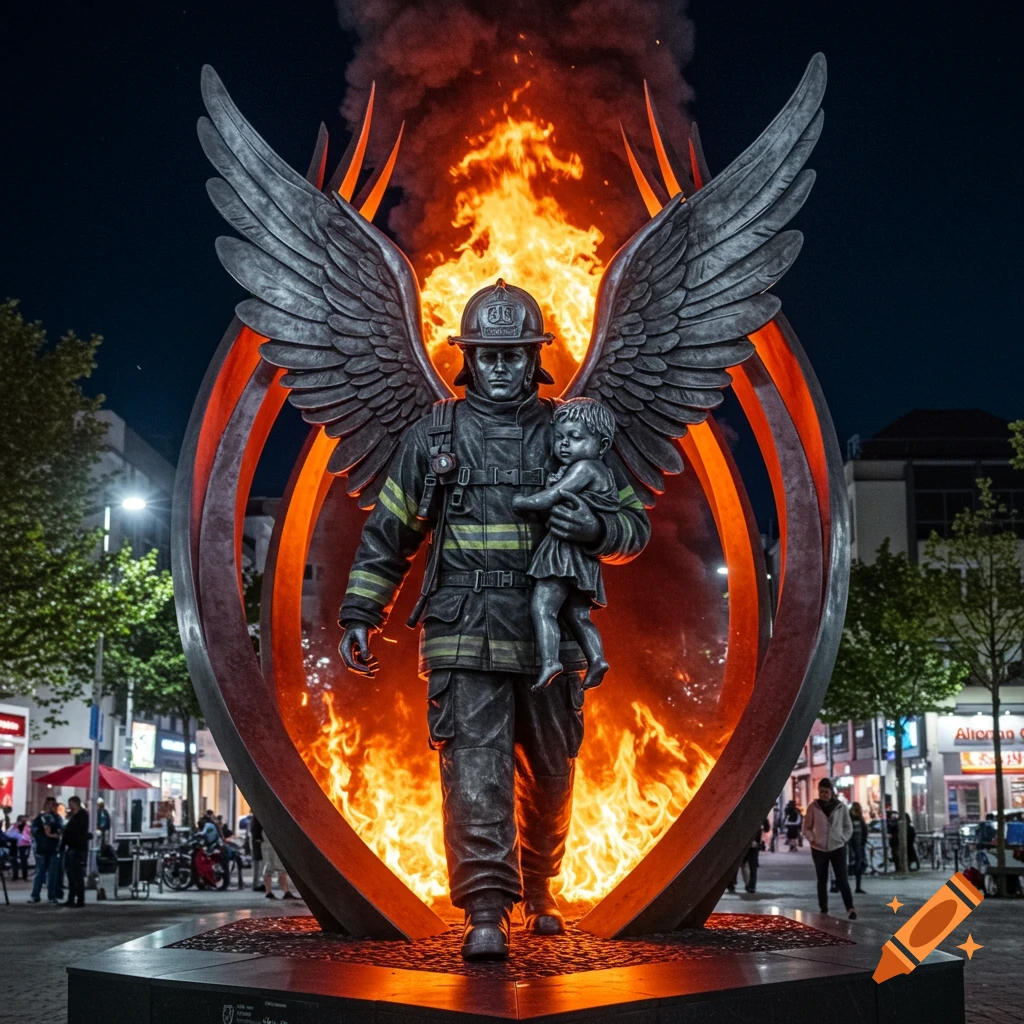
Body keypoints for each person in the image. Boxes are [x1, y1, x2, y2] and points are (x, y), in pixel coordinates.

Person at [338, 281, 650, 961]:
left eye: (514, 354)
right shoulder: (433, 435)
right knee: (475, 773)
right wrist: (363, 610)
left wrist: (597, 528)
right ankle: (486, 907)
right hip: (462, 628)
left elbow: (633, 527)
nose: (502, 366)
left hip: (549, 633)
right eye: (488, 354)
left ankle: (540, 886)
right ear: (468, 358)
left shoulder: (572, 432)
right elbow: (391, 530)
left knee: (551, 774)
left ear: (536, 358)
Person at [511, 397, 619, 691]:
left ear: (602, 444)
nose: (564, 445)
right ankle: (597, 659)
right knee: (576, 613)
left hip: (564, 552)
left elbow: (552, 497)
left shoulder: (584, 469)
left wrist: (522, 502)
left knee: (543, 607)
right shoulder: (597, 470)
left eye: (575, 437)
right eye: (559, 437)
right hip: (583, 558)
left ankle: (550, 662)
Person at [803, 778, 856, 919]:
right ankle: (823, 908)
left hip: (838, 847)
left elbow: (848, 826)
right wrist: (812, 838)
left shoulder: (841, 807)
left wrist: (843, 838)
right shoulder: (813, 807)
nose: (824, 795)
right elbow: (806, 827)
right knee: (822, 879)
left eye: (826, 792)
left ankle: (850, 908)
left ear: (831, 792)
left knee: (842, 879)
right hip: (818, 848)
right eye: (821, 791)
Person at [29, 797, 63, 903]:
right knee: (42, 872)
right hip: (43, 849)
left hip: (51, 849)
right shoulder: (41, 818)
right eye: (52, 805)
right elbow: (34, 832)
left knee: (50, 873)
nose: (54, 807)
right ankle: (37, 895)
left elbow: (60, 831)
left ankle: (49, 895)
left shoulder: (57, 818)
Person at [60, 795, 90, 907]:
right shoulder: (75, 816)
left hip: (76, 848)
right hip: (72, 847)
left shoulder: (81, 815)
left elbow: (75, 831)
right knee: (71, 874)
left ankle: (79, 899)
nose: (69, 807)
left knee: (76, 874)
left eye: (70, 804)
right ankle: (71, 898)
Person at [261, 834, 298, 901]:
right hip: (270, 840)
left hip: (274, 840)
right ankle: (271, 892)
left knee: (276, 866)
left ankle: (283, 892)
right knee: (271, 866)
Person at [847, 801, 868, 895]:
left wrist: (863, 843)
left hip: (859, 846)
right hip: (851, 846)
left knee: (858, 867)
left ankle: (858, 887)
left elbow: (864, 832)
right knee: (850, 866)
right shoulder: (849, 818)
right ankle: (843, 886)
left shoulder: (860, 819)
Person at [5, 815, 32, 880]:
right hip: (16, 845)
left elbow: (28, 837)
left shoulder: (26, 827)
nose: (21, 822)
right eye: (20, 820)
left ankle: (24, 876)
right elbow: (8, 834)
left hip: (23, 845)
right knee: (15, 860)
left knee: (23, 861)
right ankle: (16, 876)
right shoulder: (14, 827)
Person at [250, 816, 264, 893]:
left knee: (258, 862)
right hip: (257, 841)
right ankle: (256, 884)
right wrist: (258, 838)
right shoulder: (256, 817)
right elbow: (254, 829)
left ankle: (257, 883)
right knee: (258, 862)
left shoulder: (255, 817)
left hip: (257, 840)